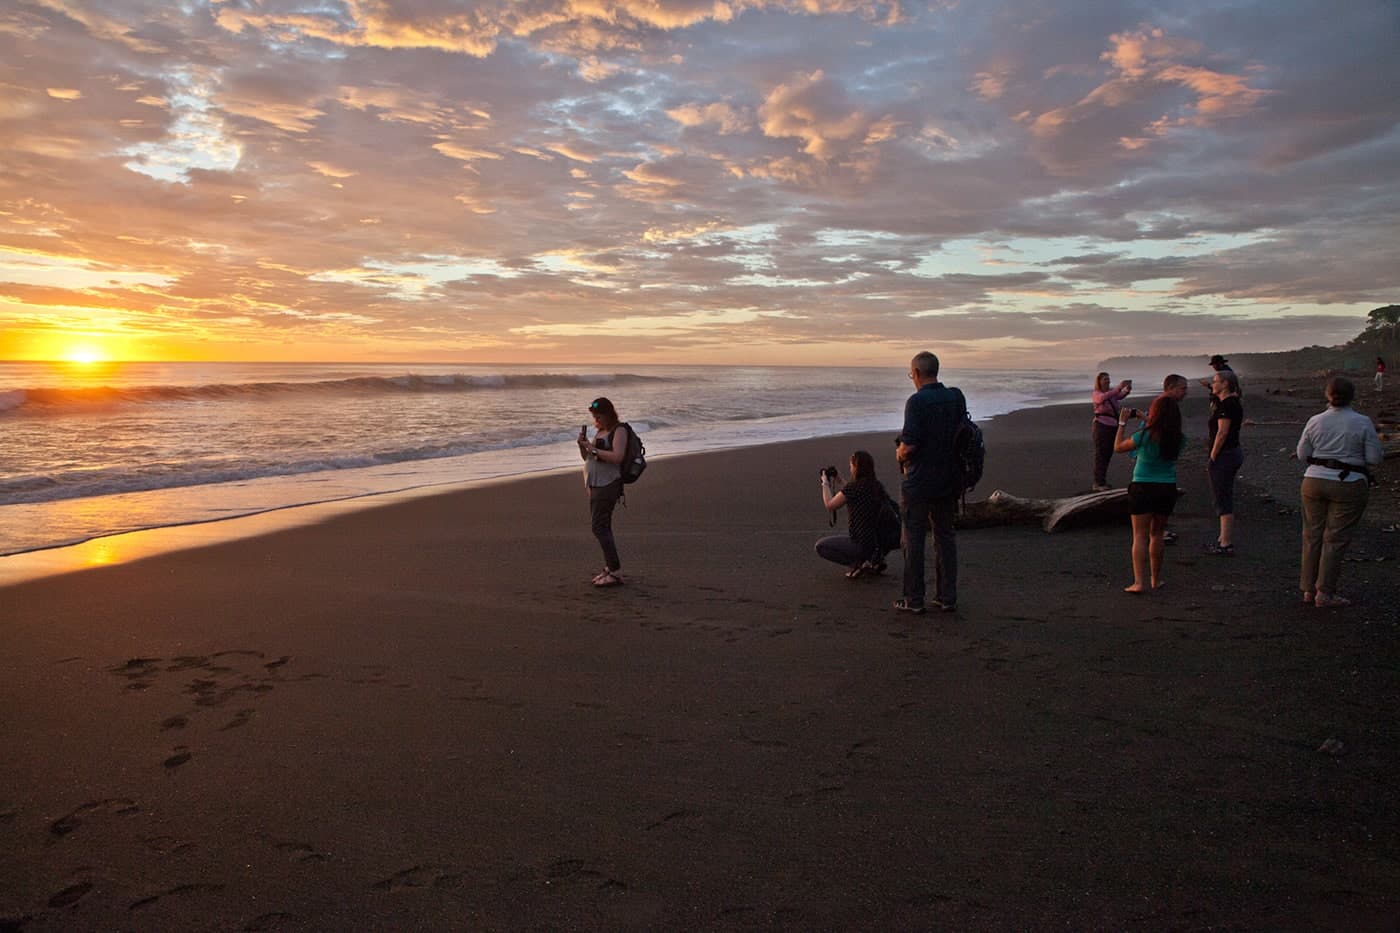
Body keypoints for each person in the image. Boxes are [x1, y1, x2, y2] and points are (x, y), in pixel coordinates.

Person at [1296, 376, 1384, 608]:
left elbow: (1302, 455)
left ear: (1327, 396)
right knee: (1335, 538)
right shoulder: (1362, 422)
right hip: (1349, 482)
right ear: (1352, 396)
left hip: (1313, 480)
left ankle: (1307, 589)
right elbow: (1374, 458)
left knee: (1311, 535)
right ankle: (1324, 592)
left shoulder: (1315, 420)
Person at [894, 351, 967, 614]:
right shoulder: (955, 397)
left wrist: (900, 452)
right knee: (945, 537)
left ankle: (913, 599)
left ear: (916, 373)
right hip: (950, 478)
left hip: (920, 480)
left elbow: (910, 444)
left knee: (913, 539)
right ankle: (947, 596)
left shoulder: (916, 402)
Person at [1113, 394, 1185, 593]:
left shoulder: (1143, 436)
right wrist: (1148, 420)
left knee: (1139, 536)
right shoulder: (1179, 438)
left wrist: (1122, 423)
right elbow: (1162, 432)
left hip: (1143, 486)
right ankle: (1155, 579)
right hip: (1167, 488)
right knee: (1157, 535)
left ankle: (1139, 582)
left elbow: (1118, 447)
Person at [577, 397, 631, 587]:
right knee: (602, 526)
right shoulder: (600, 431)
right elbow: (588, 458)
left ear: (608, 414)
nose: (596, 419)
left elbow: (617, 457)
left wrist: (593, 449)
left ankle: (614, 571)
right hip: (595, 483)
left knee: (599, 527)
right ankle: (610, 568)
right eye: (594, 416)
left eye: (598, 416)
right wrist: (583, 446)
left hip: (608, 484)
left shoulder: (619, 430)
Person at [817, 450, 896, 578]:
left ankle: (860, 563)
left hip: (861, 543)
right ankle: (873, 560)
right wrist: (838, 479)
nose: (850, 468)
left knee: (821, 546)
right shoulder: (876, 486)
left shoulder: (854, 488)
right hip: (879, 543)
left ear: (856, 467)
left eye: (851, 466)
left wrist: (824, 482)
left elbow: (830, 505)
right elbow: (852, 492)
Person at [1205, 369, 1244, 555]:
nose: (1213, 384)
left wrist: (1212, 456)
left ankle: (1226, 543)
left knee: (1222, 497)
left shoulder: (1227, 405)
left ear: (1225, 384)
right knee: (1223, 494)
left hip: (1225, 455)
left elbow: (1222, 433)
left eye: (1215, 381)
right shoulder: (1229, 402)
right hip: (1232, 453)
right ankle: (1222, 538)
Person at [1157, 374, 1189, 544]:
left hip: (1161, 462)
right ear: (1170, 387)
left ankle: (1159, 530)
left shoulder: (1167, 405)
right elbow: (1151, 430)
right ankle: (1158, 532)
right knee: (1159, 497)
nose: (1186, 393)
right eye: (1182, 388)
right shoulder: (1163, 406)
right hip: (1158, 463)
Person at [1091, 372, 1133, 490]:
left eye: (1108, 379)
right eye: (1105, 379)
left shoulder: (1111, 393)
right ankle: (1098, 483)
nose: (1107, 381)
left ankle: (1102, 481)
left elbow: (1119, 396)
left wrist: (1126, 390)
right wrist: (1119, 387)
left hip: (1112, 426)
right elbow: (1101, 399)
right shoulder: (1096, 393)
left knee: (1108, 454)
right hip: (1101, 426)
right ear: (1099, 381)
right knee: (1101, 455)